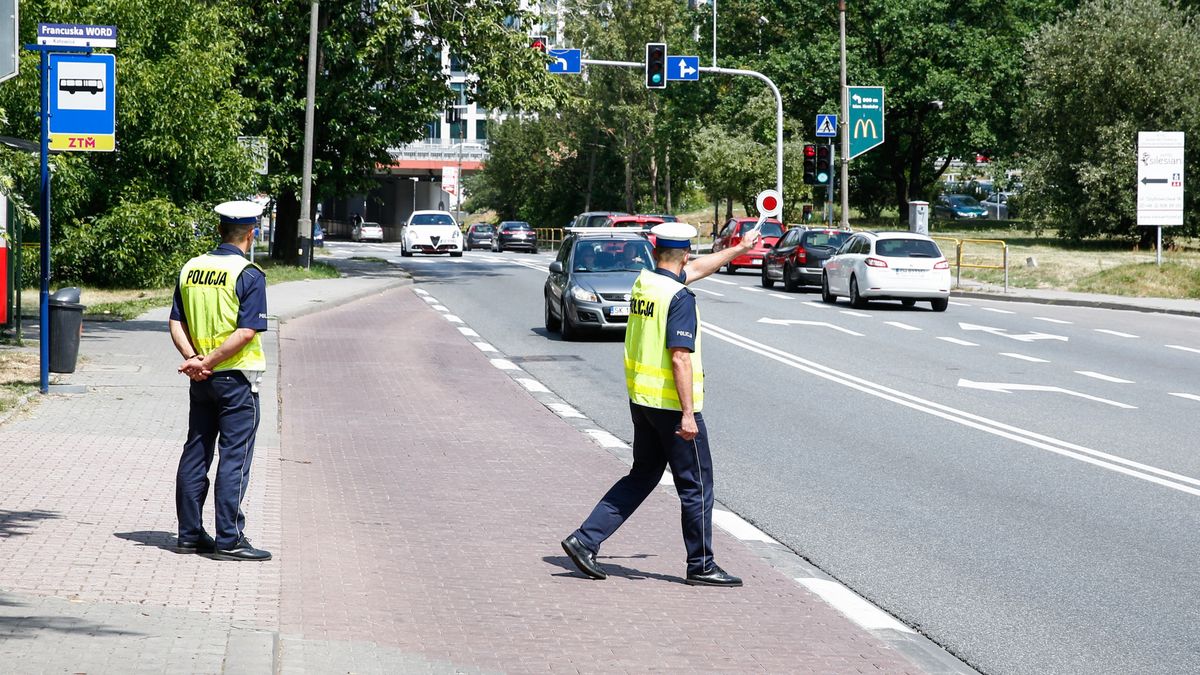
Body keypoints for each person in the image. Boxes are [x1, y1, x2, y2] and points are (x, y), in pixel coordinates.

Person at [562, 221, 761, 587]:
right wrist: (688, 414)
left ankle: (584, 540)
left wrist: (740, 248)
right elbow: (680, 358)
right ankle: (701, 565)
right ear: (685, 255)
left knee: (643, 475)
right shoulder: (680, 298)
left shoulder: (646, 284)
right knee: (696, 485)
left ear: (656, 253)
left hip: (643, 402)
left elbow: (697, 269)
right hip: (672, 408)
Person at [168, 201, 272, 561]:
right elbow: (246, 332)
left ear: (219, 230)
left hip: (201, 380)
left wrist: (193, 361)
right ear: (251, 234)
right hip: (237, 379)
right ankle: (229, 538)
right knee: (234, 458)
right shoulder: (249, 274)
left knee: (196, 452)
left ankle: (189, 535)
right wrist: (209, 361)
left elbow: (176, 322)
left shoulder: (191, 268)